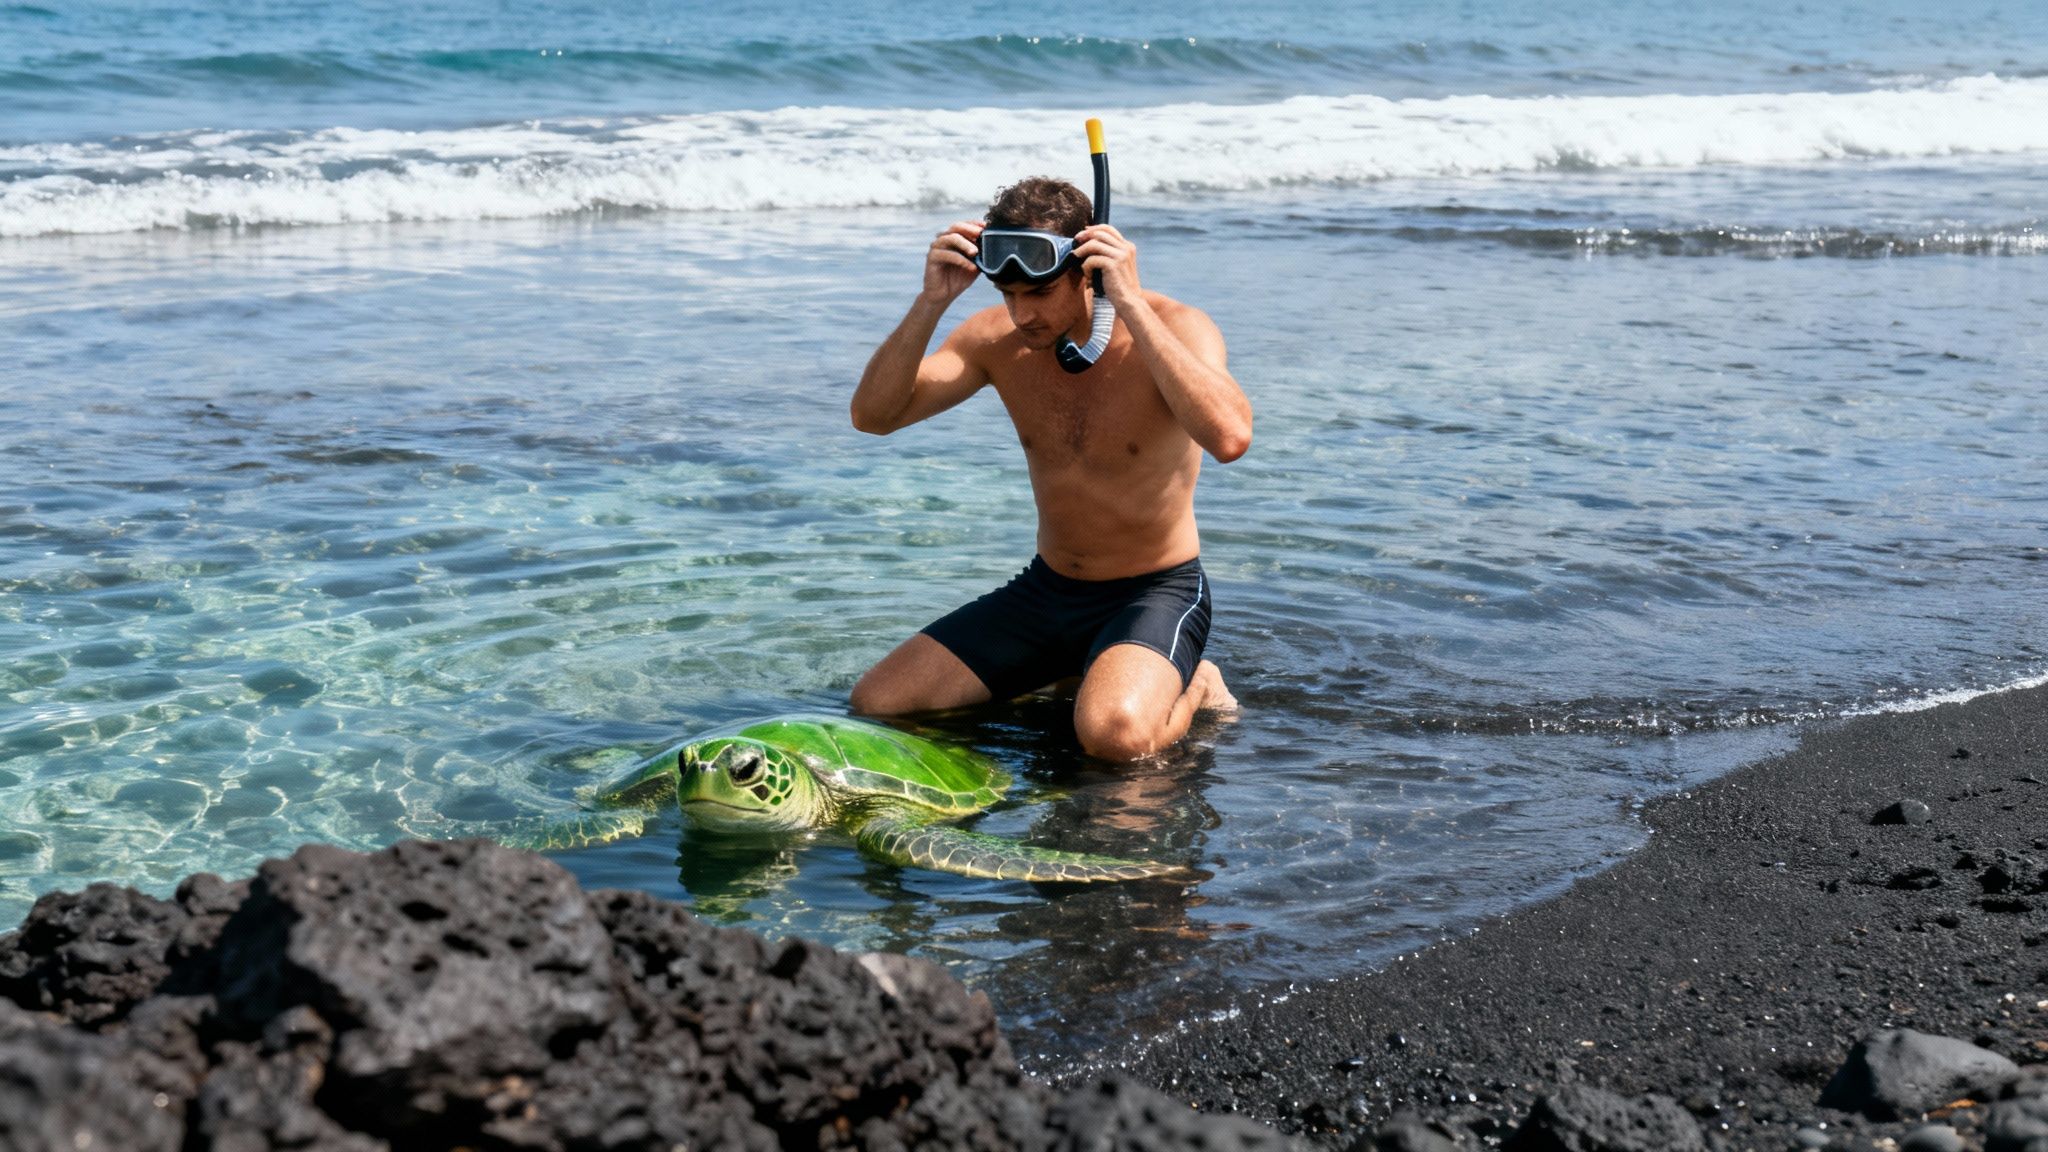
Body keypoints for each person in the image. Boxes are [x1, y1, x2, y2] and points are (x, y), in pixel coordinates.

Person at [848, 176, 1251, 761]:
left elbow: (1230, 437)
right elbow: (873, 416)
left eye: (1036, 294)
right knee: (880, 703)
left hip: (1153, 592)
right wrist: (931, 301)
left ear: (1087, 271)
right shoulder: (995, 341)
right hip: (1048, 590)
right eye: (1007, 294)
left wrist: (1131, 303)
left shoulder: (1176, 328)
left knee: (1115, 739)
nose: (1021, 314)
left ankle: (1195, 685)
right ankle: (1081, 669)